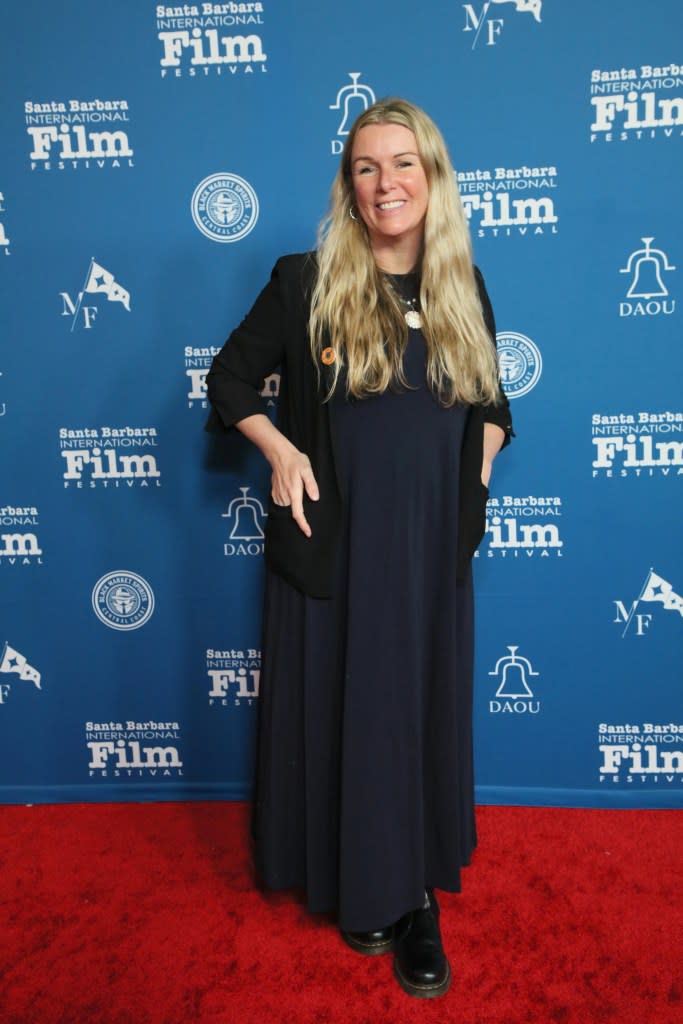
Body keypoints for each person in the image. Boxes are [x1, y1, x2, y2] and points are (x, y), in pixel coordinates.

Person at [206, 97, 513, 999]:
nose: (387, 183)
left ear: (433, 177)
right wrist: (281, 448)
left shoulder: (463, 286)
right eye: (367, 167)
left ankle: (416, 895)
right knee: (347, 712)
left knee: (410, 715)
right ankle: (353, 882)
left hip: (425, 552)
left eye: (403, 163)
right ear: (349, 185)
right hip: (333, 541)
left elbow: (494, 408)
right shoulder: (304, 280)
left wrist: (476, 482)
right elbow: (228, 380)